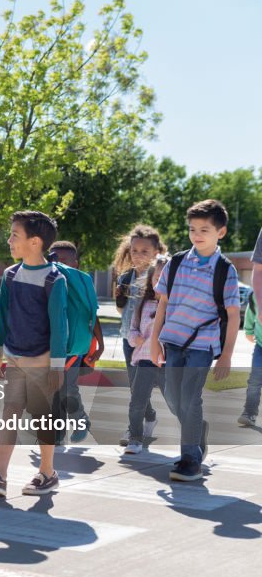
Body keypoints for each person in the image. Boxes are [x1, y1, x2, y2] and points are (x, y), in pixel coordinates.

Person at [0, 211, 68, 497]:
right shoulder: (10, 274)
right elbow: (2, 317)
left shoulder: (54, 280)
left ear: (35, 242)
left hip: (42, 360)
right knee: (10, 414)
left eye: (15, 234)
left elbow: (59, 326)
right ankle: (0, 476)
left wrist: (57, 367)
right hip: (15, 357)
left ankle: (48, 472)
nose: (10, 239)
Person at [150, 199, 241, 482]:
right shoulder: (176, 262)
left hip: (202, 346)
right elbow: (162, 304)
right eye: (192, 229)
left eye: (204, 229)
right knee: (174, 399)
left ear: (220, 232)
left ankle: (190, 459)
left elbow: (234, 316)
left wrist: (226, 355)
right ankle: (197, 428)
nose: (197, 234)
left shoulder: (226, 270)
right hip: (173, 342)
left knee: (190, 398)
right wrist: (154, 341)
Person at [47, 241, 104, 445]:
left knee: (67, 389)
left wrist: (101, 344)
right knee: (53, 390)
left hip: (73, 346)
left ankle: (80, 420)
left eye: (64, 261)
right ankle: (56, 435)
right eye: (54, 259)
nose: (58, 265)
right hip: (51, 344)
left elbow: (92, 315)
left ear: (76, 264)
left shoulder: (81, 284)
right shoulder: (48, 281)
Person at [112, 225, 167, 390]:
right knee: (133, 380)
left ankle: (147, 412)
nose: (138, 255)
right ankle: (147, 413)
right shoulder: (125, 277)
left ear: (156, 252)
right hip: (128, 336)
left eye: (144, 251)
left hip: (149, 338)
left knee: (147, 381)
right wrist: (119, 299)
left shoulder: (157, 277)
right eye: (134, 250)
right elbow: (122, 311)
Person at [123, 258, 168, 454]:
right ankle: (135, 438)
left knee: (177, 403)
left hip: (167, 363)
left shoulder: (174, 305)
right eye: (157, 276)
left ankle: (194, 435)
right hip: (144, 360)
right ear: (150, 279)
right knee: (137, 402)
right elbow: (131, 330)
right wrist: (136, 339)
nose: (160, 280)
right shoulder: (142, 304)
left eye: (164, 276)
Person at [246, 227, 262, 426]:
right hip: (261, 346)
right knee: (255, 380)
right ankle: (249, 411)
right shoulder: (256, 296)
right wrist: (249, 331)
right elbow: (251, 312)